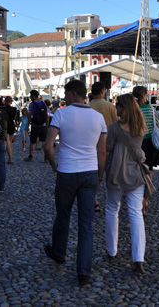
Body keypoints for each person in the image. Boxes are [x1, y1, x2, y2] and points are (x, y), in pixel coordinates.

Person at [43, 79, 107, 286]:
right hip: (90, 172)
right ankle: (83, 272)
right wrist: (99, 176)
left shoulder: (61, 114)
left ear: (72, 94)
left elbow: (48, 146)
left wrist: (54, 165)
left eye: (65, 93)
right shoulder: (98, 118)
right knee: (86, 224)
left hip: (67, 172)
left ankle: (59, 253)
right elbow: (102, 153)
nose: (64, 97)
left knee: (63, 216)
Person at [104, 93, 147, 273]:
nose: (116, 108)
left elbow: (108, 151)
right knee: (135, 213)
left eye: (118, 106)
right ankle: (138, 258)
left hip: (116, 172)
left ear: (124, 107)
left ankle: (112, 250)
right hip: (136, 173)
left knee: (112, 209)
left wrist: (101, 171)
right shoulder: (141, 126)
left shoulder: (115, 127)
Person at [89, 81, 118, 213]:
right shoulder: (110, 106)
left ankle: (94, 201)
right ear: (102, 92)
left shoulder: (87, 107)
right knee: (110, 174)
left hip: (92, 146)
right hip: (109, 145)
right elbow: (117, 124)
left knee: (93, 174)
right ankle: (111, 200)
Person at [132, 86, 159, 215]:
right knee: (148, 171)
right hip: (149, 143)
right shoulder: (151, 109)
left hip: (135, 143)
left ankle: (136, 198)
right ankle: (145, 198)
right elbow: (157, 126)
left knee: (136, 171)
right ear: (144, 96)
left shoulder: (132, 110)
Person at [25, 89, 48, 162]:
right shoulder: (43, 103)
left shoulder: (32, 104)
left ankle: (30, 156)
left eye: (31, 96)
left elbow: (30, 115)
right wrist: (47, 124)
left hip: (35, 125)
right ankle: (46, 157)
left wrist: (28, 125)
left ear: (33, 96)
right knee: (44, 141)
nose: (30, 97)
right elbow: (46, 114)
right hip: (43, 125)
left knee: (32, 142)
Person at [1, 96, 20, 164]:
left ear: (5, 101)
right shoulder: (14, 109)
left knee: (7, 141)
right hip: (11, 124)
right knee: (10, 141)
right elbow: (15, 118)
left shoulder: (2, 108)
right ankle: (10, 157)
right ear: (11, 101)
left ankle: (10, 158)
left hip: (5, 124)